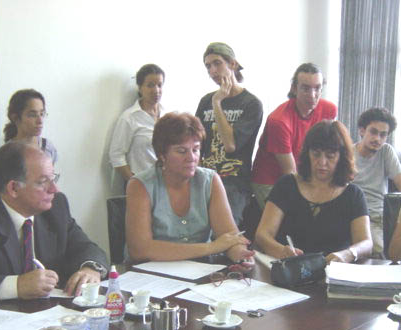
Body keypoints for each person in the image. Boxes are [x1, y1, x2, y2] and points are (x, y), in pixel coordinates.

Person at [0, 143, 108, 309]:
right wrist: (16, 285)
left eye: (53, 178)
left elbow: (86, 247)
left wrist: (90, 268)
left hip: (50, 316)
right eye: (43, 182)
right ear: (13, 188)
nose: (54, 189)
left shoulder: (56, 206)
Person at [126, 112, 254, 263]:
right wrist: (211, 247)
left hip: (201, 270)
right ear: (162, 155)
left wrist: (241, 254)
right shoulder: (140, 184)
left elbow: (229, 236)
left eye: (195, 149)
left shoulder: (210, 180)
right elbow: (140, 250)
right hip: (151, 271)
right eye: (181, 151)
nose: (191, 158)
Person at [255, 120, 372, 263]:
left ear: (342, 157)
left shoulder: (353, 195)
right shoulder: (286, 185)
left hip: (333, 270)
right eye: (316, 154)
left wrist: (348, 253)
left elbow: (366, 243)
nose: (322, 162)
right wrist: (280, 250)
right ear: (307, 153)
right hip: (288, 268)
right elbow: (263, 234)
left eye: (330, 156)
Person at [250, 63, 337, 208]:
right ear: (294, 89)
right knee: (295, 216)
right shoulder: (279, 121)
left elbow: (329, 148)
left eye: (317, 88)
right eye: (305, 88)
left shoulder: (329, 110)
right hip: (270, 180)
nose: (312, 95)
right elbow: (289, 172)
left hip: (306, 174)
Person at [196, 43, 263, 227]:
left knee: (226, 230)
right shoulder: (205, 101)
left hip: (234, 183)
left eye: (217, 63)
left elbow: (230, 145)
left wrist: (217, 103)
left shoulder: (251, 103)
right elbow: (197, 142)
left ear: (232, 64)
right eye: (208, 66)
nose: (212, 71)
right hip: (205, 177)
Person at [352, 107, 401, 256]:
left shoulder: (386, 151)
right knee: (377, 250)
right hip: (356, 215)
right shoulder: (349, 154)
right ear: (362, 131)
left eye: (383, 135)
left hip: (381, 216)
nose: (377, 139)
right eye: (373, 132)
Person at [109, 64, 164, 185]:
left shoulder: (168, 115)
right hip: (141, 184)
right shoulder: (129, 117)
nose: (156, 90)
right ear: (140, 88)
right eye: (150, 85)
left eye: (159, 85)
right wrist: (135, 182)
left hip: (167, 183)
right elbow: (116, 155)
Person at [4, 89, 58, 163]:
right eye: (32, 115)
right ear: (15, 118)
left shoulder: (48, 147)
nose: (40, 121)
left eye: (42, 114)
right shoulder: (7, 153)